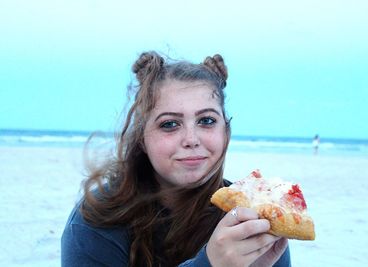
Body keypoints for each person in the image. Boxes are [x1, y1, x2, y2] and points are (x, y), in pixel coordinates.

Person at [61, 51, 291, 266]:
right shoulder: (95, 222)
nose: (191, 139)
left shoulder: (254, 220)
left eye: (207, 121)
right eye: (169, 124)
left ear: (226, 133)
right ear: (141, 138)